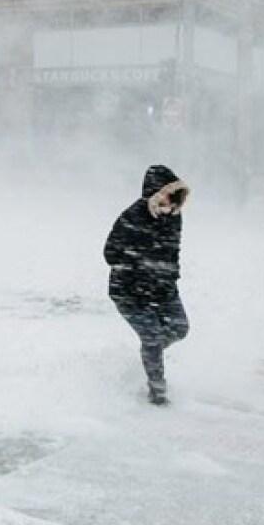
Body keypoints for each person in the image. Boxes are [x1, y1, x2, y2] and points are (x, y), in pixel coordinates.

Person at [104, 165, 191, 405]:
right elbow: (110, 253)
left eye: (176, 198)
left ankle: (150, 353)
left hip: (163, 288)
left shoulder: (174, 217)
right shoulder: (132, 216)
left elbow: (173, 252)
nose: (171, 204)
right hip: (128, 291)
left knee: (180, 328)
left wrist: (169, 277)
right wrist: (140, 264)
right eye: (167, 195)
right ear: (154, 193)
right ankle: (157, 393)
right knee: (152, 336)